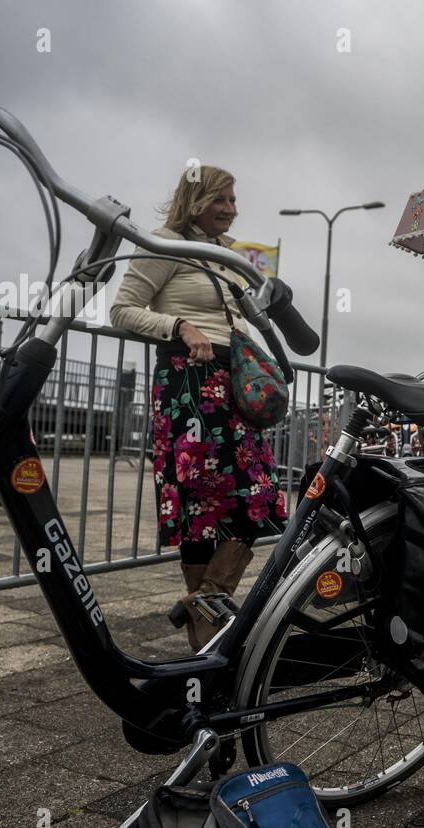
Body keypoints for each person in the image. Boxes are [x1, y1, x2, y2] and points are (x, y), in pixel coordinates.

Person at [110, 166, 287, 651]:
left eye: (233, 200)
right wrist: (180, 326)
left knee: (257, 497)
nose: (231, 209)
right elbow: (121, 309)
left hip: (230, 383)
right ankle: (206, 635)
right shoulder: (164, 244)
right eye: (221, 201)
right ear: (196, 201)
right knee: (198, 507)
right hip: (188, 383)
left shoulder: (225, 254)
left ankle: (204, 601)